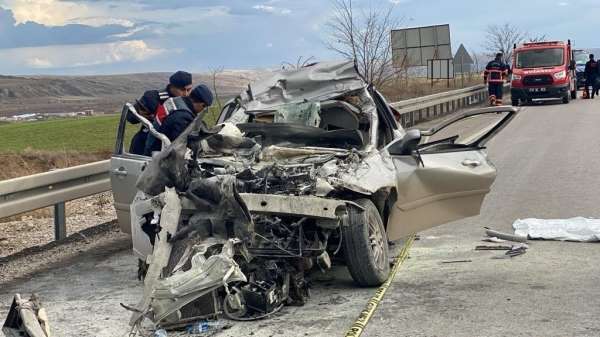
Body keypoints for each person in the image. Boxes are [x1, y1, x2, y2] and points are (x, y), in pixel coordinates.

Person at [127, 71, 193, 154]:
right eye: (182, 90)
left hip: (173, 150)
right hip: (144, 147)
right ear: (172, 87)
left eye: (189, 89)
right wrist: (139, 115)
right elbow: (129, 117)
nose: (186, 94)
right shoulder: (152, 97)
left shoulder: (190, 102)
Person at [143, 84, 213, 156]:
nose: (205, 110)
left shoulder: (177, 101)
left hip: (152, 148)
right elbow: (180, 146)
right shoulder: (182, 117)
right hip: (157, 158)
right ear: (195, 101)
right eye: (204, 106)